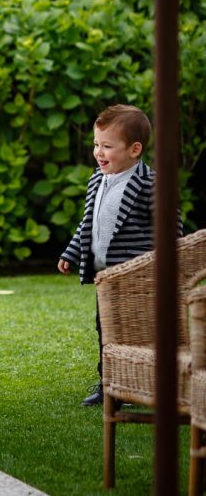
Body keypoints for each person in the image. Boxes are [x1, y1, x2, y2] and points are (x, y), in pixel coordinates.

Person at [57, 105, 181, 406]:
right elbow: (89, 223)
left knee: (137, 333)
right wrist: (71, 252)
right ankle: (108, 383)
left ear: (134, 149)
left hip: (135, 276)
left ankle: (145, 383)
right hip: (106, 278)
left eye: (107, 146)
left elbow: (171, 224)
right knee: (106, 331)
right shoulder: (97, 180)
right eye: (96, 145)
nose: (99, 152)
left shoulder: (149, 183)